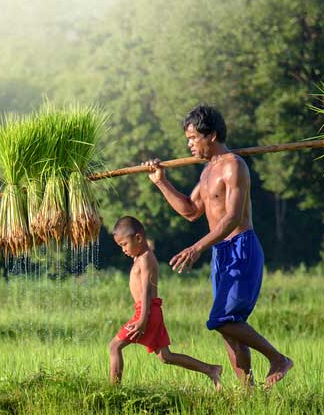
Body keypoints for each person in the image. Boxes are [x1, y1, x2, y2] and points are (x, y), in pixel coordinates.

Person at [142, 104, 293, 388]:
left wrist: (196, 248)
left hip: (241, 248)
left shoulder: (234, 166)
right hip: (220, 253)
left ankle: (278, 359)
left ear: (210, 135)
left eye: (192, 138)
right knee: (229, 330)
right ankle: (247, 391)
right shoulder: (207, 172)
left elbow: (232, 217)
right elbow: (189, 210)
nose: (189, 145)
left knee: (222, 319)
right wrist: (161, 182)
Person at [108, 215, 223, 389]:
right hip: (151, 312)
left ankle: (113, 390)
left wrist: (142, 320)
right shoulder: (140, 257)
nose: (123, 249)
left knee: (114, 346)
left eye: (124, 244)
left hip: (145, 312)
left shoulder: (146, 258)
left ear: (138, 238)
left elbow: (146, 290)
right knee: (165, 357)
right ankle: (212, 370)